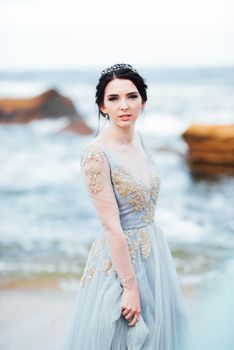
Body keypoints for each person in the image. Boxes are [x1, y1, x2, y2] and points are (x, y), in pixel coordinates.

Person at [61, 63, 191, 349]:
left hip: (155, 254)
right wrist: (130, 288)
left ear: (143, 102)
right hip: (120, 261)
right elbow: (110, 225)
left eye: (132, 97)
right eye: (114, 98)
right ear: (102, 106)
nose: (124, 106)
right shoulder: (96, 155)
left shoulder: (140, 142)